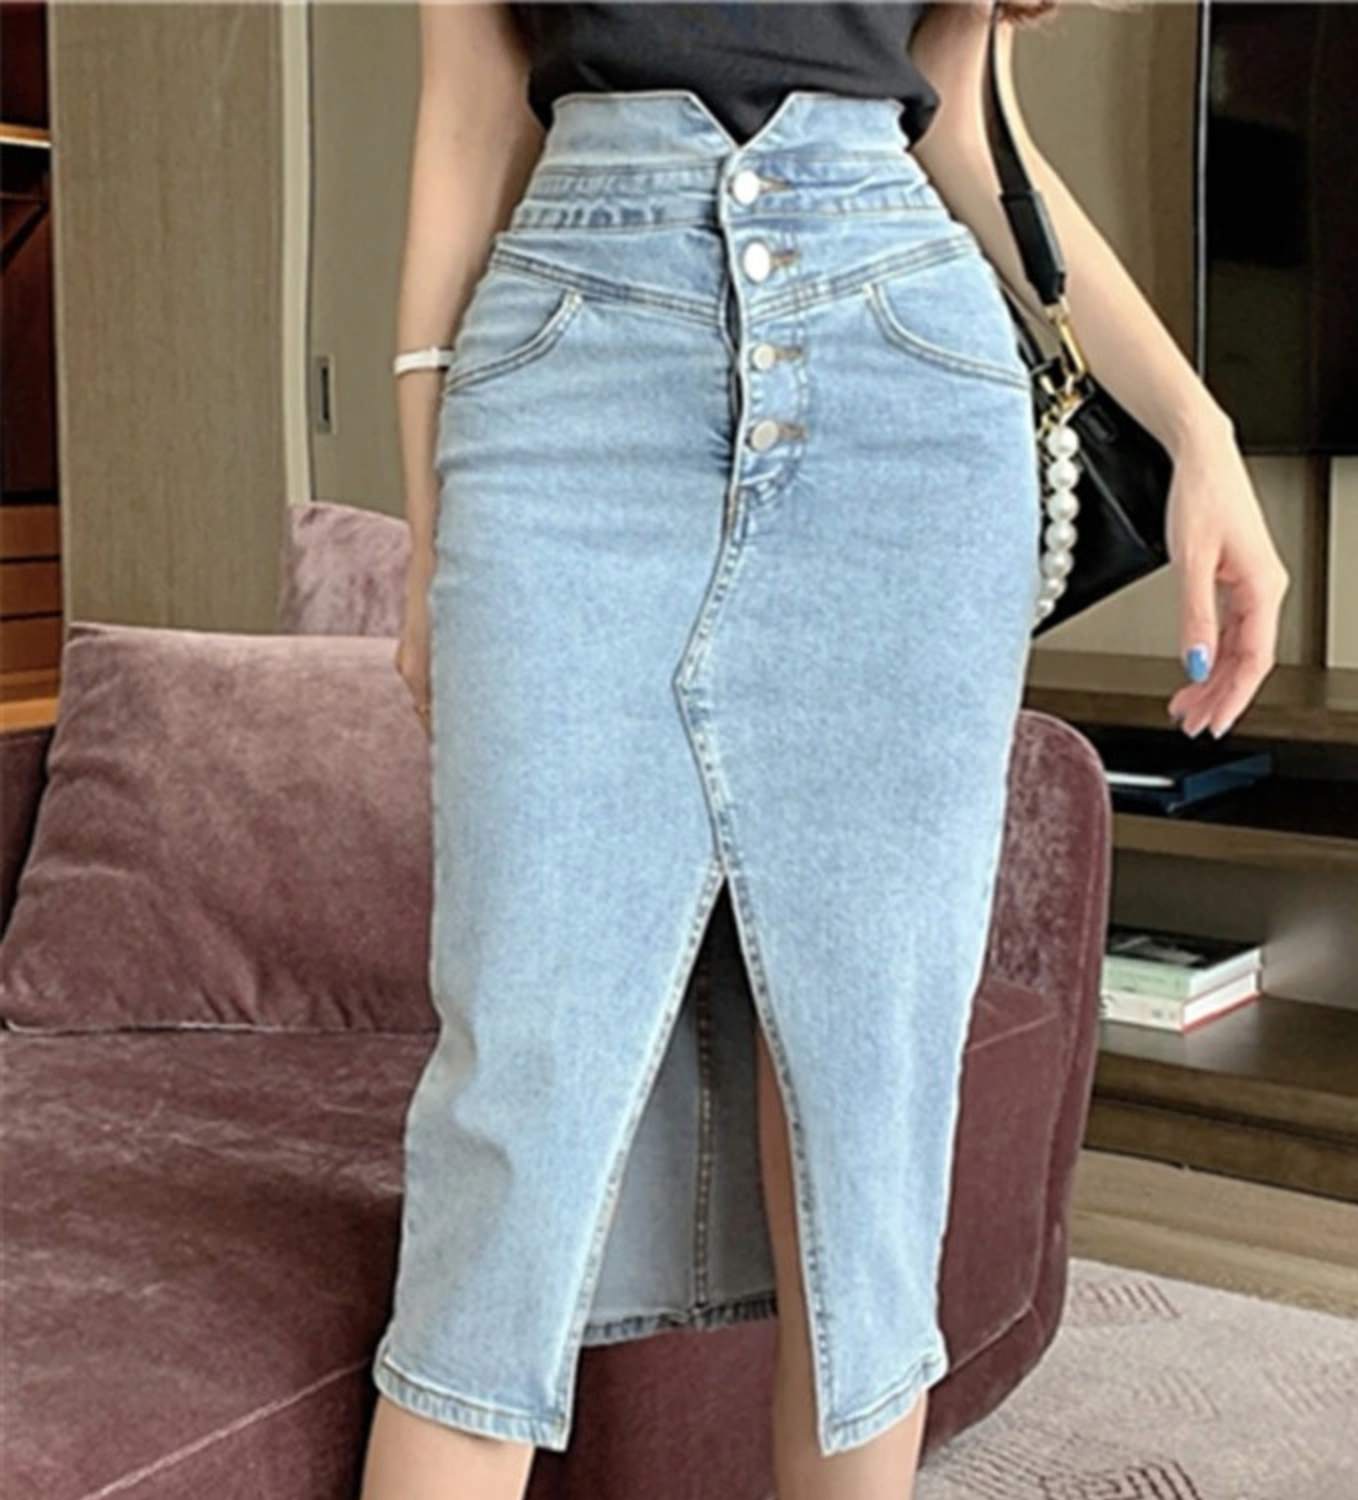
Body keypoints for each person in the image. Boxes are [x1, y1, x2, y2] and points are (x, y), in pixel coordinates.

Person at [361, 3, 1289, 1498]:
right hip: (571, 379)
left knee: (871, 1100)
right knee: (516, 1089)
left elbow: (969, 125)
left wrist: (1198, 428)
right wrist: (426, 539)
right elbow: (469, 128)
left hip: (902, 377)